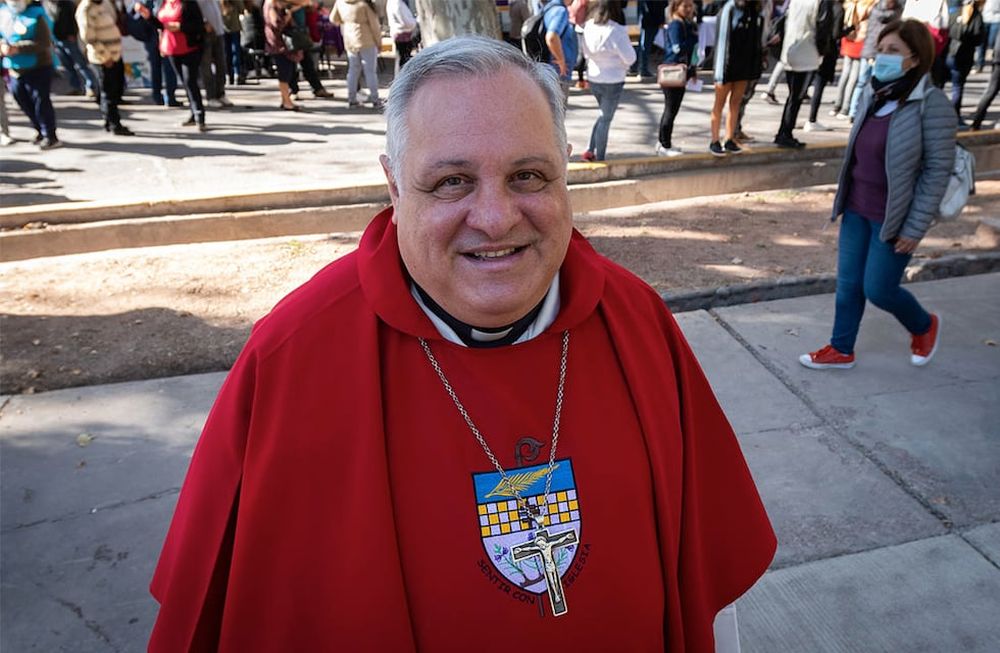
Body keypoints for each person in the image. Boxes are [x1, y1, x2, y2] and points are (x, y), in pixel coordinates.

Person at [147, 34, 776, 651]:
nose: (496, 218)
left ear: (565, 176)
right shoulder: (293, 355)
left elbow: (708, 593)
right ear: (394, 188)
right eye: (451, 182)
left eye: (528, 175)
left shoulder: (637, 322)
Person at [801, 19, 954, 371]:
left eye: (893, 51)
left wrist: (915, 227)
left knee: (879, 289)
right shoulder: (873, 94)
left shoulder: (932, 105)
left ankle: (924, 325)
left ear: (915, 59)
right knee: (848, 286)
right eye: (881, 50)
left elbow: (936, 172)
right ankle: (841, 349)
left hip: (894, 217)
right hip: (856, 207)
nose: (882, 57)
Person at [135, 0, 208, 131]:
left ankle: (199, 115)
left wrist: (181, 27)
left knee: (190, 81)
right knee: (186, 83)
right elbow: (161, 25)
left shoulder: (188, 3)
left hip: (189, 48)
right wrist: (148, 16)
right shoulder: (164, 3)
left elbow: (199, 26)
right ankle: (193, 113)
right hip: (172, 50)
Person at [1, 0, 61, 149]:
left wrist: (18, 49)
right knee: (22, 99)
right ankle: (39, 129)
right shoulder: (4, 14)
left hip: (38, 66)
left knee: (40, 101)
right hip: (15, 68)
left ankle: (50, 135)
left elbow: (44, 42)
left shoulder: (37, 15)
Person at [579, 0, 634, 161]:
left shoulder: (588, 26)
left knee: (602, 115)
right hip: (613, 79)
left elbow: (586, 53)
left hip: (594, 77)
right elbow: (630, 58)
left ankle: (590, 148)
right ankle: (600, 156)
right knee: (605, 118)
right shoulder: (616, 30)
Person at [712, 0, 764, 156]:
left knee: (736, 103)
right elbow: (722, 41)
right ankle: (714, 140)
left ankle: (729, 138)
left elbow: (756, 40)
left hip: (744, 65)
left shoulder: (754, 9)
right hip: (727, 65)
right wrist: (720, 72)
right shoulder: (729, 9)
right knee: (719, 104)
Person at [76, 0, 133, 135]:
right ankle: (114, 124)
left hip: (114, 56)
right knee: (108, 92)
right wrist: (104, 56)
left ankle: (109, 121)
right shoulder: (86, 9)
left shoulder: (100, 5)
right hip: (104, 59)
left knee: (112, 90)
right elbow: (89, 37)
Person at [773, 0, 822, 149]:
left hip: (791, 50)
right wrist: (822, 52)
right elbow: (823, 28)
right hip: (807, 53)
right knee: (796, 97)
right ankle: (785, 133)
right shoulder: (818, 3)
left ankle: (783, 132)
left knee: (793, 97)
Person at [847, 0, 902, 120]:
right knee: (871, 83)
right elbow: (888, 19)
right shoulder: (892, 13)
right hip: (877, 52)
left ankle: (854, 111)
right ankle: (859, 110)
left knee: (863, 83)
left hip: (870, 50)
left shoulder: (874, 8)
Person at [655, 0, 697, 156]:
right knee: (670, 110)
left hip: (682, 71)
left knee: (673, 109)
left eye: (690, 6)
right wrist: (693, 39)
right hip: (673, 71)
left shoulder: (686, 24)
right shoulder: (676, 25)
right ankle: (664, 145)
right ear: (676, 7)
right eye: (684, 6)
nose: (688, 9)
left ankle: (664, 141)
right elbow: (677, 48)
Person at [128, 0, 181, 106]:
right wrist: (138, 6)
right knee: (159, 66)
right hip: (153, 33)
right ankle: (160, 96)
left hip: (163, 32)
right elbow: (134, 6)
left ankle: (169, 96)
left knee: (168, 67)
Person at [332, 0, 381, 108]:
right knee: (370, 71)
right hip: (367, 40)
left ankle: (352, 98)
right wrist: (379, 41)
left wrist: (346, 22)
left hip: (350, 40)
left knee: (353, 70)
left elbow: (333, 18)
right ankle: (375, 99)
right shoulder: (363, 4)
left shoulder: (340, 2)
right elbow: (374, 25)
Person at [44, 0, 98, 97]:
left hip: (68, 39)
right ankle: (76, 87)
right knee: (67, 65)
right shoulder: (48, 5)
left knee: (80, 64)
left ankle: (92, 86)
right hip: (56, 40)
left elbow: (76, 19)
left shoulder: (67, 4)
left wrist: (73, 33)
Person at [946, 0, 986, 117]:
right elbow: (979, 38)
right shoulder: (976, 16)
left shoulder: (953, 12)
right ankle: (954, 114)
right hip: (964, 55)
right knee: (957, 86)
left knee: (943, 85)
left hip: (950, 52)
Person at [263, 0, 303, 110]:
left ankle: (285, 99)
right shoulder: (272, 5)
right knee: (284, 72)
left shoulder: (275, 3)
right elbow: (276, 23)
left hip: (280, 44)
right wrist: (288, 16)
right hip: (279, 44)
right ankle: (286, 101)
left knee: (288, 70)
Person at [195, 0, 233, 108]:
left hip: (219, 31)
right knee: (206, 66)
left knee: (221, 64)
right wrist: (203, 22)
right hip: (205, 33)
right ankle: (210, 96)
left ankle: (220, 93)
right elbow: (194, 10)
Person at [542, 0, 578, 97]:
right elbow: (552, 37)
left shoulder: (549, 8)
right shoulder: (560, 11)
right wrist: (561, 60)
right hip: (558, 71)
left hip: (551, 69)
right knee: (559, 108)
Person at [970, 27, 1000, 128]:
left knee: (990, 92)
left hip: (997, 61)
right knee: (990, 92)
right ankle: (976, 122)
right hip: (998, 62)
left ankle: (976, 123)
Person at [637, 0, 668, 78]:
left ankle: (637, 67)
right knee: (645, 45)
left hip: (649, 20)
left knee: (644, 45)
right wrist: (661, 20)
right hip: (651, 20)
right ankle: (642, 69)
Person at [386, 0, 416, 69]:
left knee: (402, 59)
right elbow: (405, 21)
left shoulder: (393, 2)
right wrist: (415, 22)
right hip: (402, 34)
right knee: (403, 60)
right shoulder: (397, 3)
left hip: (401, 33)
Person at [978, 0, 999, 71]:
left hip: (997, 19)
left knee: (992, 42)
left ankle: (995, 65)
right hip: (983, 18)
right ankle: (979, 65)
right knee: (981, 43)